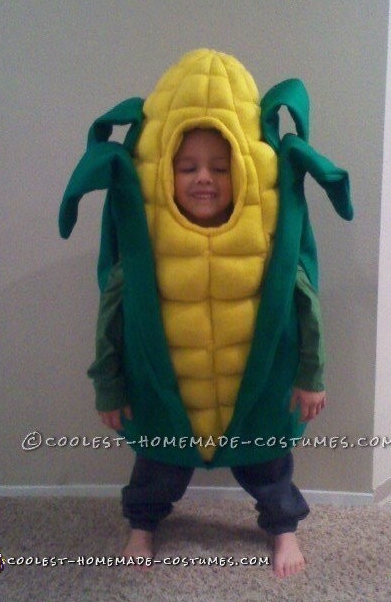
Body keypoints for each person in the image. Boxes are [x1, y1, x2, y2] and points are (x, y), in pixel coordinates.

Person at [89, 126, 326, 578]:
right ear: (165, 175)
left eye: (220, 168)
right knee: (157, 462)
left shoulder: (267, 241)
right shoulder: (146, 245)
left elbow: (305, 305)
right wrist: (109, 385)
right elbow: (111, 318)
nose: (204, 178)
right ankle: (142, 524)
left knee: (269, 461)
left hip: (252, 391)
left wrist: (311, 375)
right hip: (171, 390)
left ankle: (283, 527)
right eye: (188, 168)